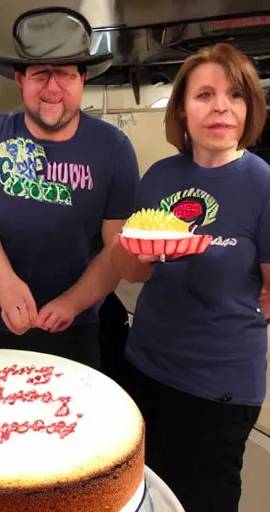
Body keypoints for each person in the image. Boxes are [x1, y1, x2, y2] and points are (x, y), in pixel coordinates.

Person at [112, 43, 270, 512]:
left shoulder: (262, 183)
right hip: (145, 366)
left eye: (235, 95)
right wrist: (140, 250)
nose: (221, 106)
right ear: (183, 108)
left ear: (249, 109)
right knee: (143, 496)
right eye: (204, 94)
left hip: (216, 388)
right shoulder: (160, 177)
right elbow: (131, 270)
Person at [0, 6, 140, 370]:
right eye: (41, 74)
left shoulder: (114, 148)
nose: (53, 88)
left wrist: (71, 303)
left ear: (82, 78)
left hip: (74, 325)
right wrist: (6, 287)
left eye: (66, 74)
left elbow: (116, 247)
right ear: (20, 80)